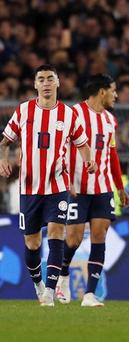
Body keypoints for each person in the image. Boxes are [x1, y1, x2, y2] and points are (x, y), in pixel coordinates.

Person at [0, 64, 96, 307]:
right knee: (32, 244)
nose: (45, 83)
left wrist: (88, 161)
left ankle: (50, 292)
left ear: (57, 83)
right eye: (40, 79)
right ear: (35, 85)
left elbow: (82, 143)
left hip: (58, 186)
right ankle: (38, 283)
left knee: (56, 234)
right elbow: (5, 142)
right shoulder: (23, 111)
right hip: (29, 188)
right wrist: (3, 158)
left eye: (49, 78)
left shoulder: (69, 114)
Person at [54, 74, 129, 307]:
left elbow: (112, 155)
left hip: (103, 187)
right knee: (74, 239)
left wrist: (120, 188)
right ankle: (63, 275)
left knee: (99, 236)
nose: (116, 95)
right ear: (101, 91)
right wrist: (65, 178)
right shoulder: (73, 115)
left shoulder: (110, 121)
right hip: (77, 187)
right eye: (113, 90)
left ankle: (89, 294)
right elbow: (60, 149)